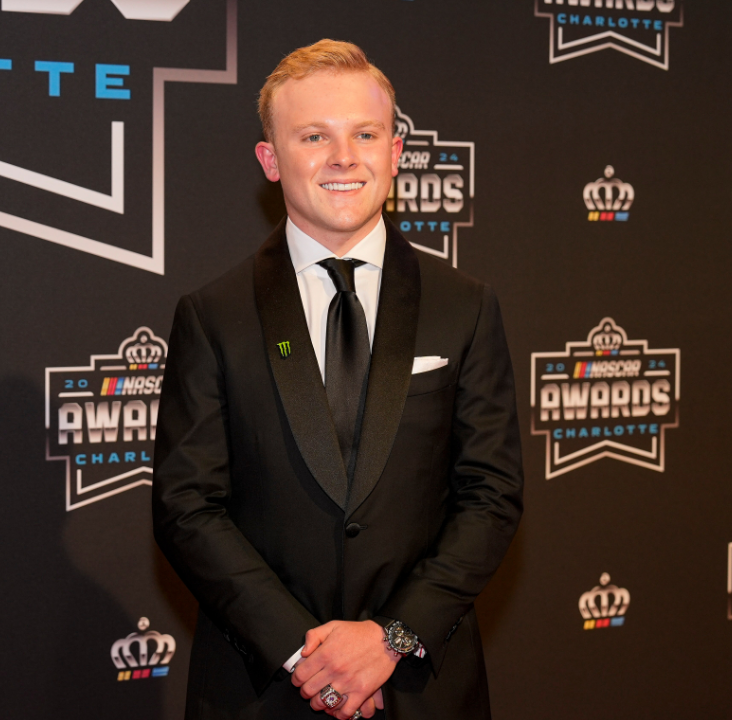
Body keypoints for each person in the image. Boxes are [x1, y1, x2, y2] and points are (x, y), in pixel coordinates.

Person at [152, 39, 523, 720]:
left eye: (365, 134)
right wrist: (306, 655)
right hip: (261, 689)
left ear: (396, 152)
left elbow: (492, 497)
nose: (344, 156)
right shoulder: (213, 316)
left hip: (421, 689)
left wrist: (390, 641)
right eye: (314, 136)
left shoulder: (465, 306)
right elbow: (186, 507)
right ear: (270, 159)